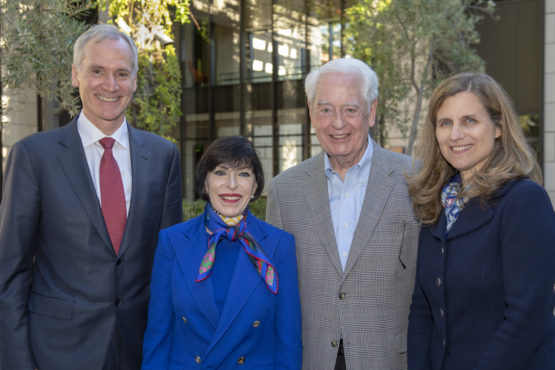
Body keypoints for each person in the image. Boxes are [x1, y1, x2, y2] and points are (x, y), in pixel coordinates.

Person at [0, 24, 182, 370]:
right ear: (75, 75)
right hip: (55, 353)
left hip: (140, 351)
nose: (110, 85)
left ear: (134, 80)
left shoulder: (163, 156)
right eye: (97, 71)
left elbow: (168, 268)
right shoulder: (34, 156)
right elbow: (10, 274)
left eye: (121, 73)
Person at [266, 57, 420, 369]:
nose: (338, 123)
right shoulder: (284, 191)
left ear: (371, 111)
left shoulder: (416, 180)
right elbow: (275, 295)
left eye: (350, 109)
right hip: (311, 360)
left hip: (389, 360)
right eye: (325, 109)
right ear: (311, 112)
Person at [406, 72, 555, 370]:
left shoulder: (524, 201)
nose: (455, 134)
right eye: (445, 123)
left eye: (469, 121)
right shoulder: (438, 203)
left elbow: (525, 320)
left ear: (498, 127)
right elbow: (423, 310)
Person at [142, 135, 302, 369]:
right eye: (220, 172)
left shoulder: (279, 245)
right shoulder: (172, 241)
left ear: (255, 185)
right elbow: (158, 334)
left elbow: (288, 342)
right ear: (205, 183)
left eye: (244, 174)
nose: (232, 184)